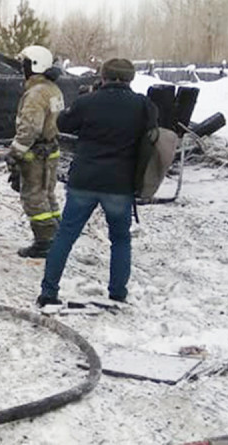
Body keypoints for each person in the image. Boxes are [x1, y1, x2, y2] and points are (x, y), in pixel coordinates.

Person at [38, 58, 158, 306]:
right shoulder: (143, 105)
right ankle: (117, 293)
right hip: (120, 184)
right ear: (131, 79)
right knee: (120, 239)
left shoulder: (88, 102)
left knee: (65, 236)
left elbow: (63, 124)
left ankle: (48, 292)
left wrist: (83, 100)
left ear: (103, 76)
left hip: (84, 179)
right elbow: (153, 132)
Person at [9, 45, 66, 258]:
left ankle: (45, 242)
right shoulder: (53, 89)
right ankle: (58, 236)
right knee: (47, 195)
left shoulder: (35, 94)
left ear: (34, 65)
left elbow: (30, 128)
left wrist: (15, 153)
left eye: (24, 64)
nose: (21, 68)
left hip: (36, 155)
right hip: (50, 151)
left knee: (33, 199)